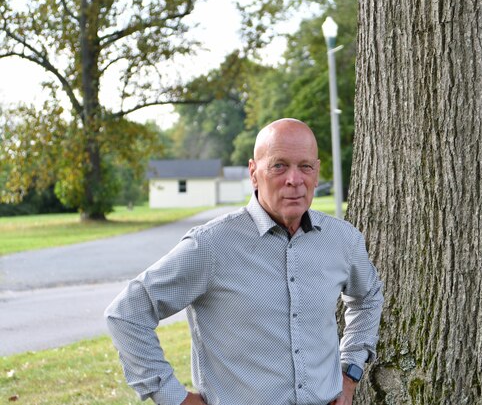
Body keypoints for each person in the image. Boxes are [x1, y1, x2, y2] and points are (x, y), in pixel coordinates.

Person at [105, 118, 384, 405]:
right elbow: (127, 313)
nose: (294, 179)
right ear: (254, 173)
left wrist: (350, 372)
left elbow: (368, 298)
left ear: (316, 172)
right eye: (279, 166)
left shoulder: (342, 240)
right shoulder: (211, 245)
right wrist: (173, 397)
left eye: (305, 166)